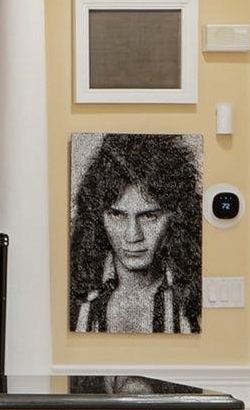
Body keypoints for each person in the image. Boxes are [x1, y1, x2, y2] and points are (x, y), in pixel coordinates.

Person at [70, 133, 201, 334]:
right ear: (97, 218)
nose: (132, 235)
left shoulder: (195, 307)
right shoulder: (77, 307)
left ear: (176, 217)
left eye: (149, 216)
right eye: (117, 215)